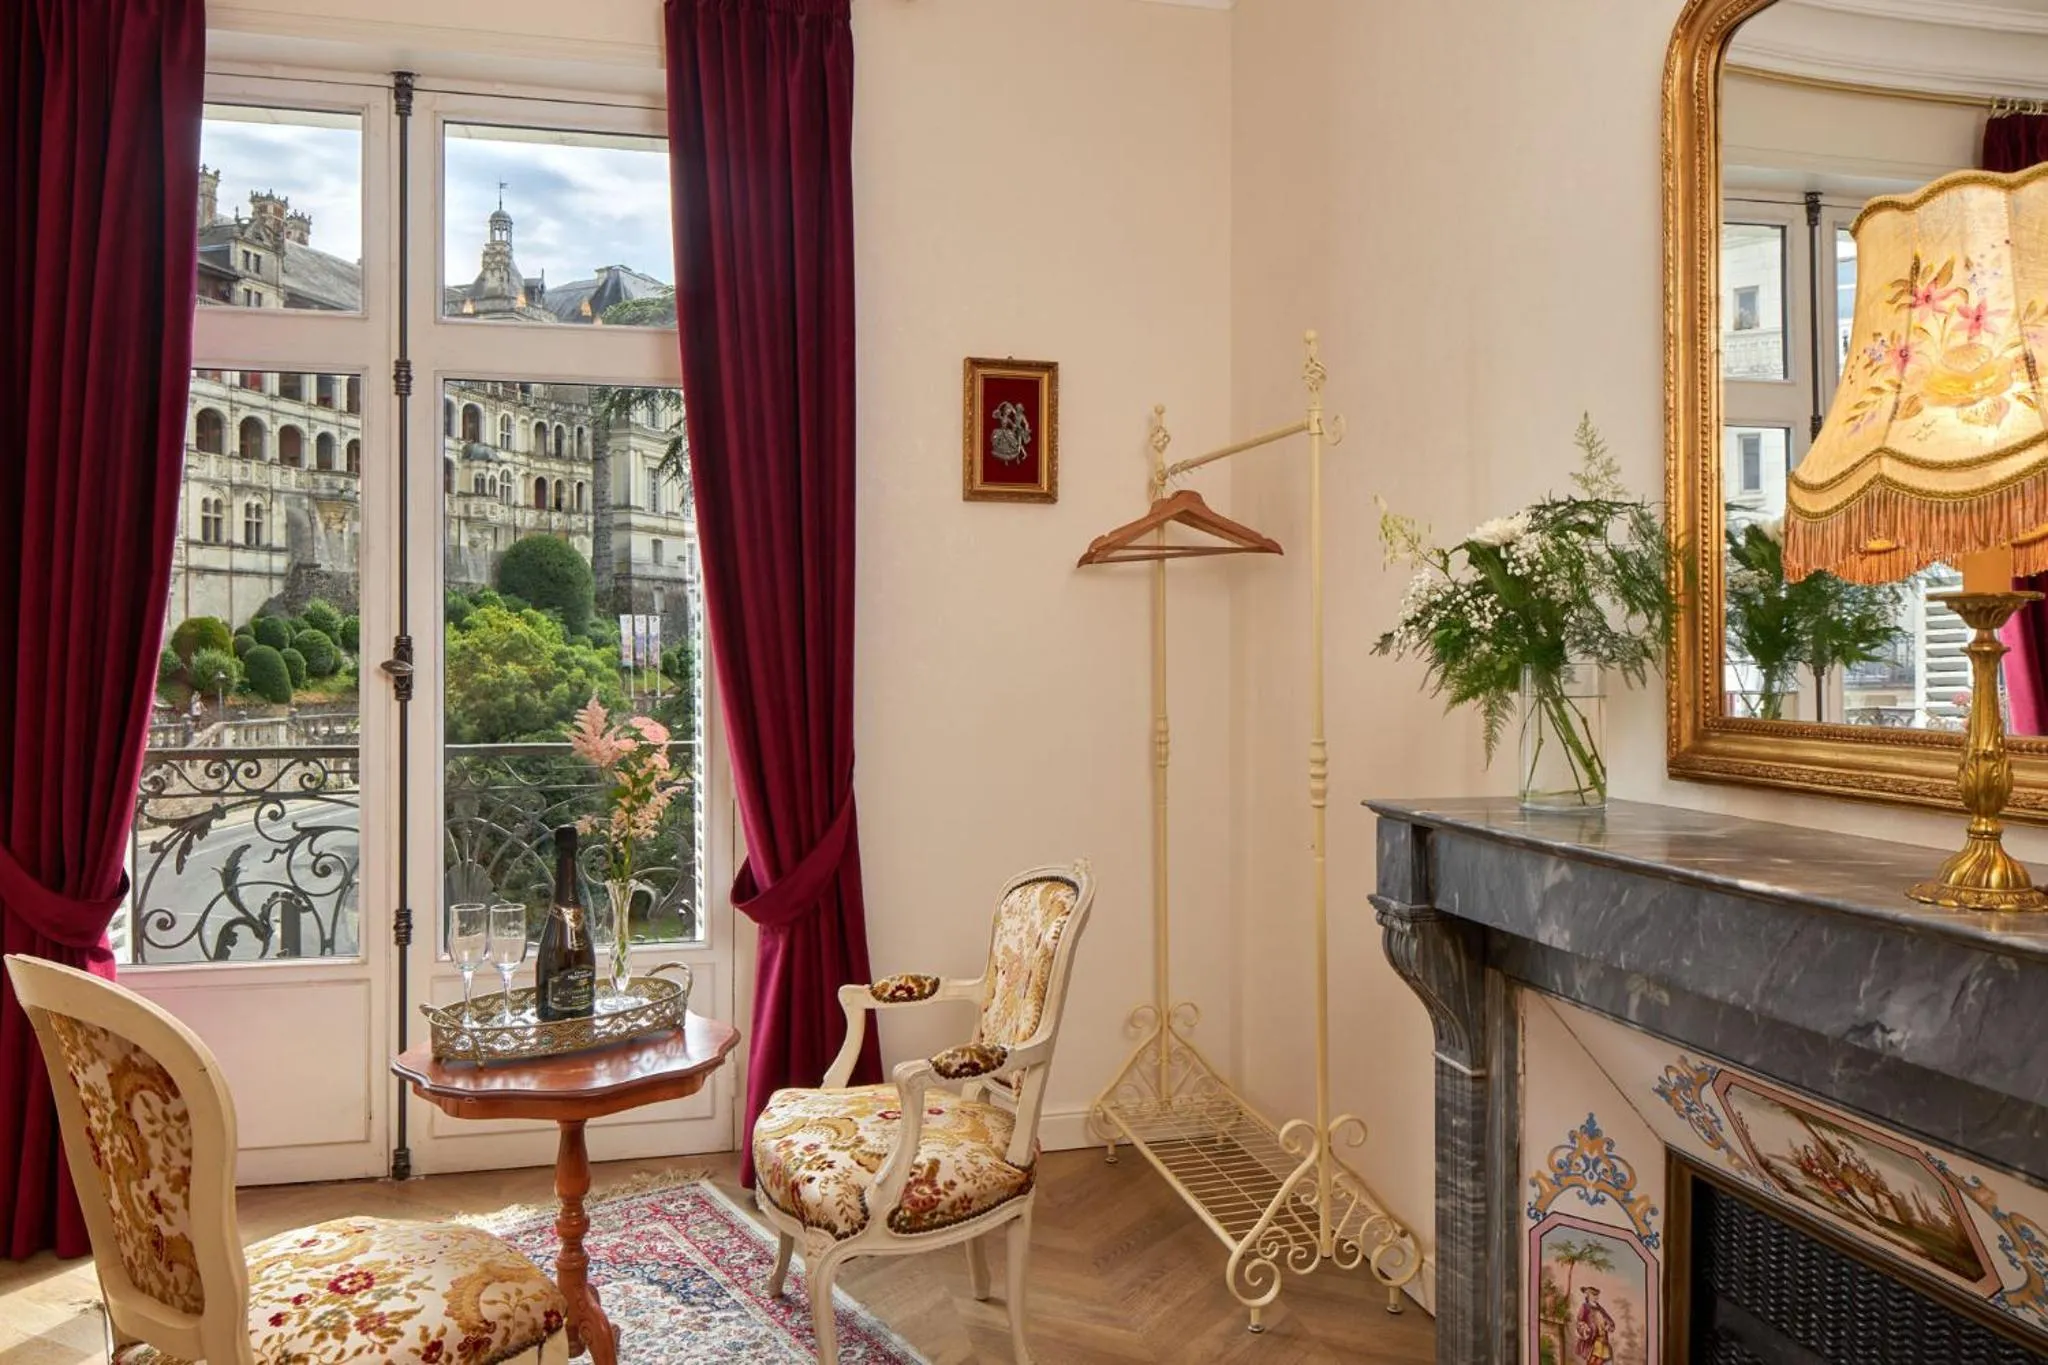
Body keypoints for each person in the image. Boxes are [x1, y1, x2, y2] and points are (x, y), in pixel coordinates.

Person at [1576, 1285, 1616, 1363]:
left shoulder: (1600, 1309)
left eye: (1597, 1295)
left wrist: (1609, 1326)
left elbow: (1610, 1321)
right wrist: (1585, 1329)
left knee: (1600, 1360)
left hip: (1603, 1339)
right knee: (1592, 1359)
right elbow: (1579, 1321)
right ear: (1588, 1296)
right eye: (1594, 1295)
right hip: (1592, 1339)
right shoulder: (1585, 1307)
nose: (1596, 1297)